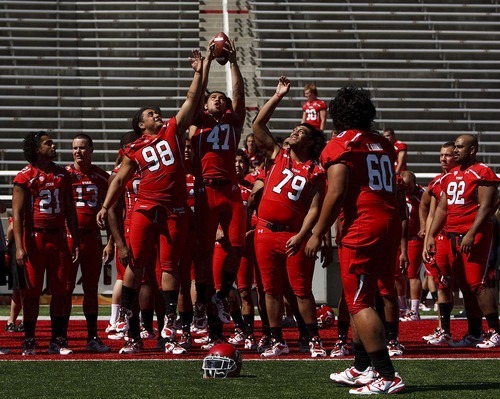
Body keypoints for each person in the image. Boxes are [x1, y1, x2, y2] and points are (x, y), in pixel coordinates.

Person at [96, 49, 204, 354]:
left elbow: (191, 101)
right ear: (141, 125)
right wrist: (105, 206)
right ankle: (131, 332)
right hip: (145, 208)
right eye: (150, 114)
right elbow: (118, 180)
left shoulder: (171, 130)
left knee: (170, 269)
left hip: (175, 210)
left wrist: (198, 70)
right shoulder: (133, 147)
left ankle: (170, 332)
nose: (157, 114)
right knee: (136, 265)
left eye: (156, 112)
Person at [305, 86, 405, 394]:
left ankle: (387, 375)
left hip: (363, 225)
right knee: (364, 297)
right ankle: (362, 367)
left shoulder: (340, 144)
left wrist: (318, 231)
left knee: (359, 301)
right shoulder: (383, 144)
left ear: (337, 114)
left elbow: (336, 191)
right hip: (387, 221)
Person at [252, 76, 327, 358]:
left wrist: (301, 234)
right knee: (270, 290)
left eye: (301, 132)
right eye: (294, 130)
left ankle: (313, 338)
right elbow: (258, 126)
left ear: (311, 143)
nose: (294, 133)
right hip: (265, 232)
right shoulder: (278, 154)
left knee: (301, 290)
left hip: (292, 234)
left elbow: (316, 208)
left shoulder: (315, 171)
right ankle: (276, 339)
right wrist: (277, 96)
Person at [188, 36, 246, 348]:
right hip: (206, 189)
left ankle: (222, 295)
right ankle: (202, 308)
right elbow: (195, 98)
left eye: (220, 99)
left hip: (231, 191)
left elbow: (239, 95)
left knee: (237, 245)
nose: (219, 101)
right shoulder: (198, 121)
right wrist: (206, 65)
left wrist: (234, 62)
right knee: (203, 254)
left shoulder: (232, 121)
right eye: (214, 98)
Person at [425, 134, 500, 348]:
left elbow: (487, 207)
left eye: (460, 147)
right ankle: (475, 332)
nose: (455, 151)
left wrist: (471, 232)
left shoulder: (483, 172)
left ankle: (495, 330)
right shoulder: (451, 175)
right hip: (451, 236)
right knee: (466, 287)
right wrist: (431, 234)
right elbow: (442, 208)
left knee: (478, 284)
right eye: (455, 147)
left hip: (473, 236)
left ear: (473, 150)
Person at [12, 131, 80, 356]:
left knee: (61, 291)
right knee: (31, 292)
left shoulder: (63, 174)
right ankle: (29, 339)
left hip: (58, 237)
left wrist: (75, 239)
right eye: (47, 143)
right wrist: (20, 247)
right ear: (36, 148)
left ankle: (58, 339)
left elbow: (70, 208)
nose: (53, 146)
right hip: (35, 238)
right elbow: (18, 213)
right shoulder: (24, 176)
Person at [65, 134, 112, 353]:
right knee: (63, 290)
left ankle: (92, 336)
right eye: (75, 148)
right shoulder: (63, 175)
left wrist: (111, 241)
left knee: (91, 290)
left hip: (93, 238)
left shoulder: (102, 177)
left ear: (91, 150)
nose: (78, 152)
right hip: (68, 238)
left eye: (82, 148)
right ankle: (59, 337)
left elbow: (112, 211)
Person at [419, 142, 457, 343]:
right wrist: (427, 234)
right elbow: (428, 208)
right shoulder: (437, 182)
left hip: (458, 237)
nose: (443, 158)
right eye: (441, 155)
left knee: (468, 286)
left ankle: (480, 330)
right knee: (443, 284)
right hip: (441, 238)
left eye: (448, 155)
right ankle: (444, 328)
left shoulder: (462, 178)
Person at [399, 170, 426, 322]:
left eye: (409, 186)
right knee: (397, 273)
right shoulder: (397, 191)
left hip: (414, 237)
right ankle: (402, 307)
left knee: (412, 274)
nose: (407, 189)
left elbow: (431, 210)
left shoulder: (421, 194)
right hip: (398, 237)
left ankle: (414, 310)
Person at [4, 217, 25, 334]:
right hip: (22, 247)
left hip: (19, 247)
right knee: (21, 288)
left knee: (19, 288)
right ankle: (21, 320)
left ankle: (12, 321)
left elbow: (11, 229)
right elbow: (12, 227)